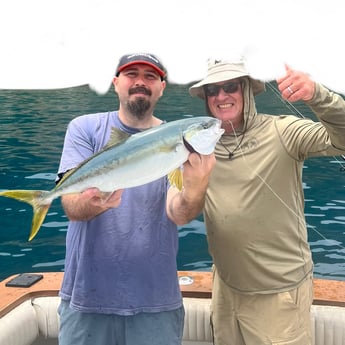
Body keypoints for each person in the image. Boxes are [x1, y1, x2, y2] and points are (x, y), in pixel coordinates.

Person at [56, 53, 216, 345]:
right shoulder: (85, 129)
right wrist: (91, 203)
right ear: (116, 83)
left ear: (162, 87)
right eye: (132, 74)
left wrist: (196, 187)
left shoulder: (178, 144)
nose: (140, 82)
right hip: (86, 298)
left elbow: (179, 213)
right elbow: (70, 204)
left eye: (150, 76)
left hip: (155, 300)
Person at [189, 58, 345, 345]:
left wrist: (317, 95)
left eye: (230, 86)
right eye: (213, 90)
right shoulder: (199, 146)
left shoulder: (283, 131)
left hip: (279, 296)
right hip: (226, 289)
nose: (222, 96)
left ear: (247, 89)